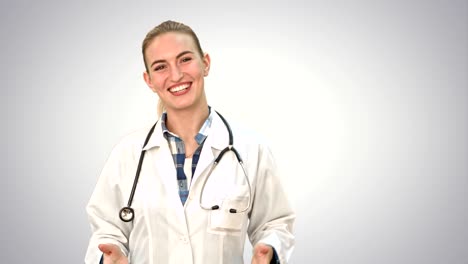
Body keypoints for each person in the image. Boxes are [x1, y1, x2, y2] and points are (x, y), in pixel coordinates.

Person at [85, 20, 295, 264]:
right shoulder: (127, 154)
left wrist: (269, 248)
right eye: (161, 67)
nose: (176, 75)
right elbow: (106, 230)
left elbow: (275, 223)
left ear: (205, 63)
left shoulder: (250, 149)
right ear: (149, 80)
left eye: (185, 59)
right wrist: (107, 256)